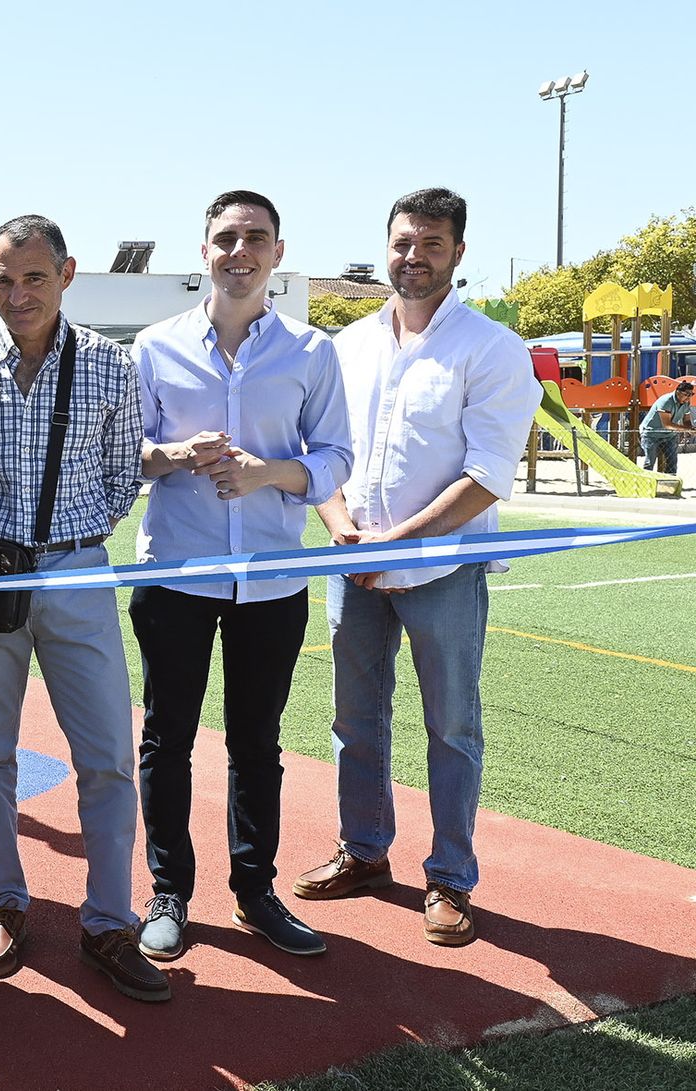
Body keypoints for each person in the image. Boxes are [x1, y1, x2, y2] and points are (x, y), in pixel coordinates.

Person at [293, 188, 541, 949]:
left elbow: (489, 473)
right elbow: (320, 452)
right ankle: (364, 851)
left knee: (452, 726)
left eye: (432, 243)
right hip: (354, 568)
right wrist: (343, 530)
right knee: (353, 719)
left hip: (441, 574)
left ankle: (450, 877)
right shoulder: (346, 345)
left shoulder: (492, 349)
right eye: (403, 242)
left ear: (458, 252)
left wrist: (395, 540)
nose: (414, 256)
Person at [0, 214, 167, 1003]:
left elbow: (121, 474)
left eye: (33, 277)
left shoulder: (108, 363)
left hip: (77, 575)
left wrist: (79, 535)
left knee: (105, 755)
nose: (17, 293)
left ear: (67, 275)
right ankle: (4, 899)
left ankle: (107, 921)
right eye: (3, 278)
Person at [128, 191, 352, 963]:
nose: (239, 250)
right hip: (176, 578)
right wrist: (177, 455)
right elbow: (127, 457)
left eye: (255, 237)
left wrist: (267, 474)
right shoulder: (154, 349)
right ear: (204, 252)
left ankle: (256, 890)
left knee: (257, 742)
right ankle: (169, 891)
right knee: (167, 739)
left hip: (272, 582)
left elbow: (335, 461)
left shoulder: (313, 352)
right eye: (225, 237)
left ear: (277, 253)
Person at [640, 379, 694, 473]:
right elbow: (667, 425)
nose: (688, 397)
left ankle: (670, 483)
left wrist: (691, 429)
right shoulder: (666, 401)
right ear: (678, 392)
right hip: (651, 434)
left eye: (691, 394)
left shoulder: (686, 403)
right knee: (650, 461)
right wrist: (687, 429)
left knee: (672, 461)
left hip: (669, 435)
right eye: (686, 394)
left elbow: (687, 420)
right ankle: (646, 483)